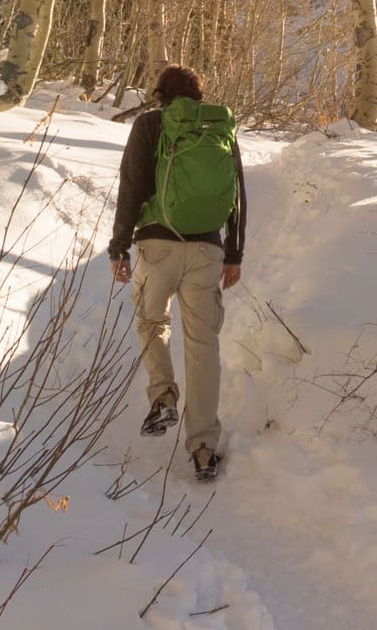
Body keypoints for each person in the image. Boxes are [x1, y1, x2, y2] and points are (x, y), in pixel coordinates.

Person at [108, 64, 248, 482]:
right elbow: (237, 190)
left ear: (160, 96)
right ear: (199, 95)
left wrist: (119, 247)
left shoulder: (151, 124)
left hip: (158, 245)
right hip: (207, 249)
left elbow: (131, 185)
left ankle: (164, 392)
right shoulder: (220, 126)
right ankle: (204, 447)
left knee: (152, 321)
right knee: (203, 344)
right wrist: (234, 253)